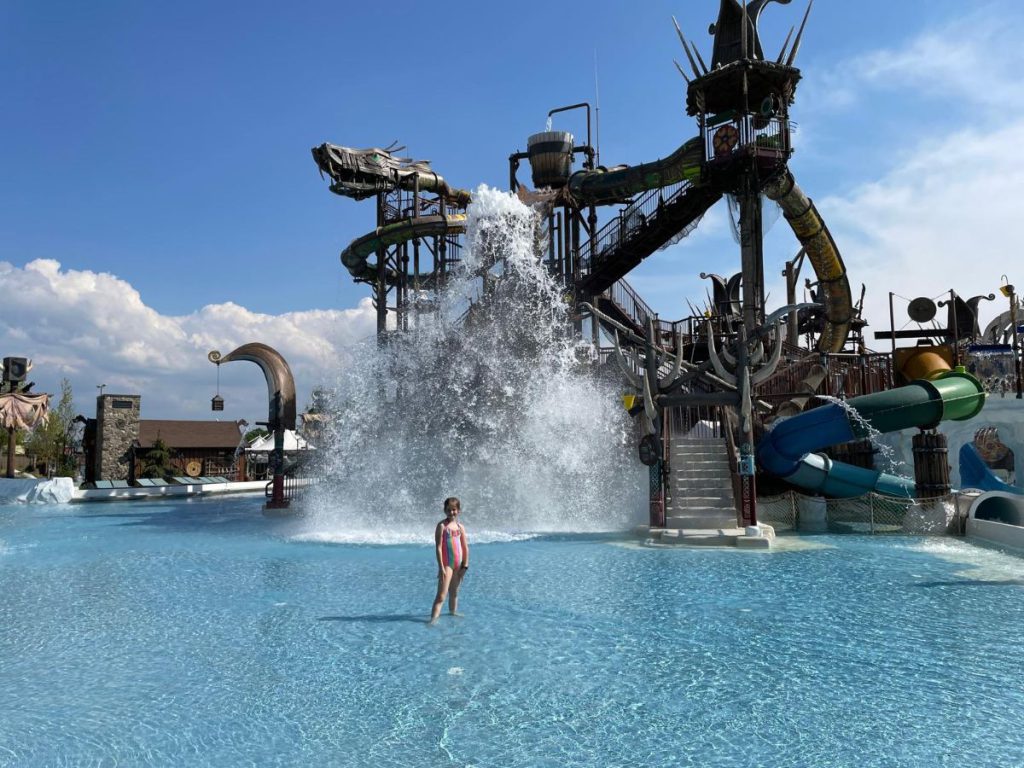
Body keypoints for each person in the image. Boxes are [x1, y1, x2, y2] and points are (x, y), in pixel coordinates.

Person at [429, 496, 469, 625]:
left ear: (458, 510)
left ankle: (452, 613)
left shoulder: (460, 527)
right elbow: (439, 548)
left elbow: (465, 547)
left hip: (459, 565)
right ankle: (433, 620)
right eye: (448, 510)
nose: (451, 512)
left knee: (454, 593)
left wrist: (465, 566)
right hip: (447, 565)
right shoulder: (442, 526)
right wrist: (441, 568)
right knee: (441, 596)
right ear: (444, 510)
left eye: (454, 509)